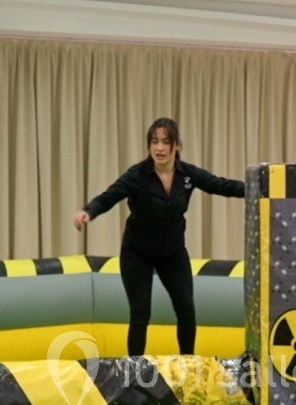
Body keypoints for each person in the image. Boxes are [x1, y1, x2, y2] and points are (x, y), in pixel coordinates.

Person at [73, 117, 244, 356]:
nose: (159, 148)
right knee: (141, 311)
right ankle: (134, 372)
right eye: (154, 142)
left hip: (172, 252)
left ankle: (187, 364)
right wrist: (88, 212)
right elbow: (108, 197)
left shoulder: (188, 175)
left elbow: (222, 186)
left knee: (186, 308)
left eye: (165, 142)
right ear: (149, 146)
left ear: (176, 146)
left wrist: (255, 189)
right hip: (137, 252)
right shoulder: (137, 176)